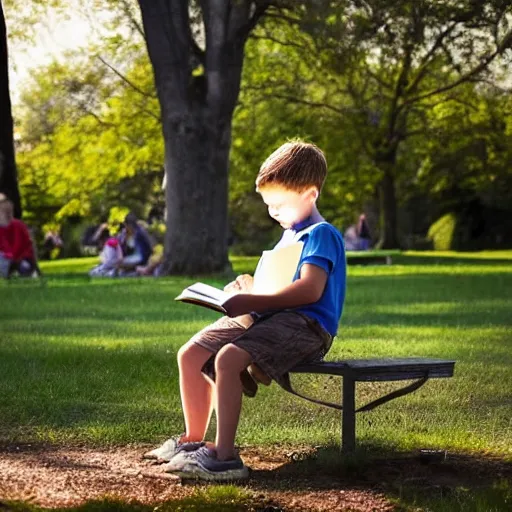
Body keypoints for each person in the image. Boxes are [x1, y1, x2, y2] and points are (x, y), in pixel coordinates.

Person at [143, 140, 347, 481]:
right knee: (191, 353)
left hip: (306, 325)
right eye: (269, 205)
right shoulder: (288, 236)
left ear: (310, 194)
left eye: (280, 204)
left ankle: (224, 458)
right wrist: (248, 288)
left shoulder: (321, 235)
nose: (274, 212)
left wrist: (252, 301)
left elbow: (309, 289)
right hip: (267, 316)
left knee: (228, 359)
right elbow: (278, 284)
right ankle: (193, 441)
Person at [0, 194, 38, 278]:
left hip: (20, 260)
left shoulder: (18, 225)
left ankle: (23, 271)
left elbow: (28, 245)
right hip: (10, 260)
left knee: (24, 267)